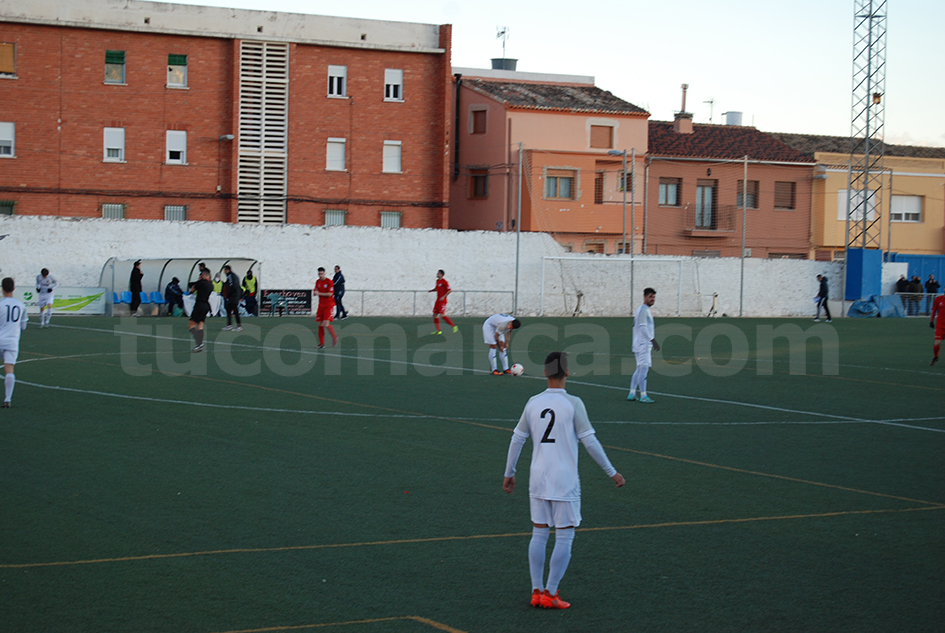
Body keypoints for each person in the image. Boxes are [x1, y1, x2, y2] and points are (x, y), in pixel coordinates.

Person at [503, 351, 625, 610]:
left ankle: (536, 591)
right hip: (564, 479)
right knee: (565, 537)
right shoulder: (573, 403)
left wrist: (509, 472)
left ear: (545, 373)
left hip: (537, 477)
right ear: (567, 373)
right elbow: (589, 441)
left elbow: (517, 438)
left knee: (539, 532)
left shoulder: (533, 402)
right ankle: (551, 592)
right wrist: (611, 471)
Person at [628, 287, 660, 403]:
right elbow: (642, 327)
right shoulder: (643, 310)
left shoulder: (642, 309)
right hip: (643, 344)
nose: (653, 299)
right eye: (650, 296)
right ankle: (643, 395)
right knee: (644, 368)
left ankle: (632, 393)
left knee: (639, 368)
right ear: (645, 297)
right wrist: (652, 340)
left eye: (654, 297)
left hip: (639, 344)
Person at [0, 278, 27, 408]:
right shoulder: (21, 305)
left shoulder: (0, 304)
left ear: (2, 288)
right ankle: (7, 399)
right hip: (12, 341)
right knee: (9, 370)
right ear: (14, 288)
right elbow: (23, 326)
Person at [188, 270, 213, 352]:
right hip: (206, 305)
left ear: (203, 275)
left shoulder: (201, 282)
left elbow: (192, 290)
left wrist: (198, 281)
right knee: (200, 325)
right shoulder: (211, 284)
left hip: (199, 305)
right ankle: (199, 344)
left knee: (191, 325)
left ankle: (199, 343)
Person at [314, 267, 338, 349]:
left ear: (324, 273)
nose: (320, 275)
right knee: (320, 324)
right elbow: (315, 290)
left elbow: (330, 294)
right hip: (321, 305)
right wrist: (315, 293)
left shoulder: (329, 282)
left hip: (328, 305)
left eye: (321, 274)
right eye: (319, 274)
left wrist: (319, 293)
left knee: (325, 324)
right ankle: (322, 344)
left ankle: (334, 337)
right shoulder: (317, 282)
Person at [428, 269, 456, 335]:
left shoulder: (444, 282)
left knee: (442, 315)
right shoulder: (437, 281)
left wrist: (443, 297)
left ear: (441, 275)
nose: (437, 274)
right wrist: (431, 290)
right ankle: (438, 330)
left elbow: (449, 290)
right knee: (435, 315)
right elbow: (437, 288)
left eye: (438, 273)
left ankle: (453, 326)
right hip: (438, 300)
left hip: (442, 301)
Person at [221, 265, 242, 332]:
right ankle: (230, 325)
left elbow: (232, 286)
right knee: (229, 309)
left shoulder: (231, 276)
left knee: (235, 310)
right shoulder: (233, 276)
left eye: (225, 270)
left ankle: (239, 326)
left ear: (228, 270)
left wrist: (229, 294)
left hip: (233, 296)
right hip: (235, 295)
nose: (224, 272)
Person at [930, 291, 945, 366]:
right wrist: (931, 321)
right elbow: (934, 310)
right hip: (940, 325)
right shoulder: (938, 299)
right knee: (937, 343)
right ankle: (936, 357)